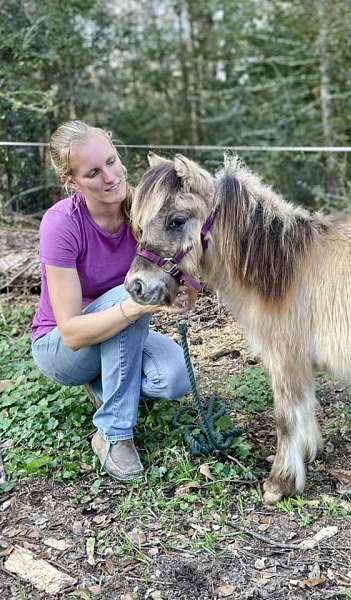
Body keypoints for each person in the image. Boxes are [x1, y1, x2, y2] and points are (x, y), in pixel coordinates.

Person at [31, 120, 194, 482]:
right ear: (72, 182)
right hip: (62, 348)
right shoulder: (61, 225)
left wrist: (182, 295)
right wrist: (138, 305)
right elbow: (71, 332)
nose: (110, 177)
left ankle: (106, 382)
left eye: (111, 161)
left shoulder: (143, 211)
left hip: (120, 328)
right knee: (132, 291)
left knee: (174, 379)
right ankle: (113, 434)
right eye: (92, 172)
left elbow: (181, 276)